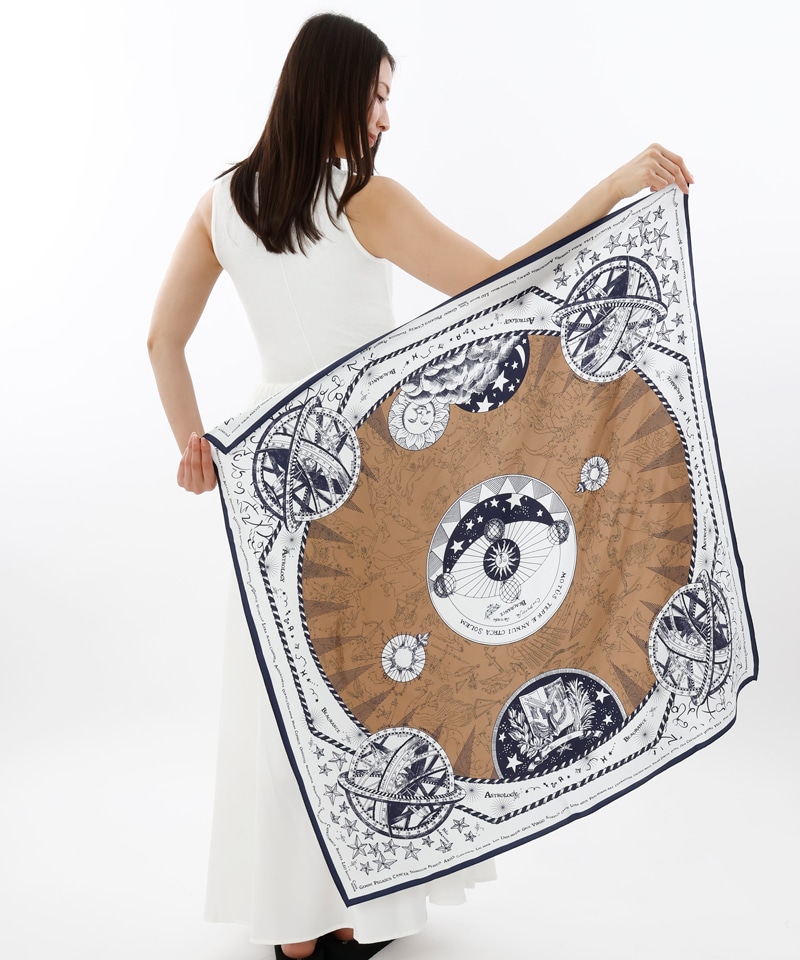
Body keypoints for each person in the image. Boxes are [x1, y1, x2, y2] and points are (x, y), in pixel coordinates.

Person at [147, 13, 693, 960]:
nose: (385, 119)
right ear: (335, 90)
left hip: (275, 481)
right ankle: (356, 912)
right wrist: (612, 187)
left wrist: (191, 445)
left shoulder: (220, 204)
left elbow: (162, 338)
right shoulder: (367, 200)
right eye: (377, 96)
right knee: (366, 701)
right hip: (368, 479)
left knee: (285, 701)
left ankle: (295, 930)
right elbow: (501, 281)